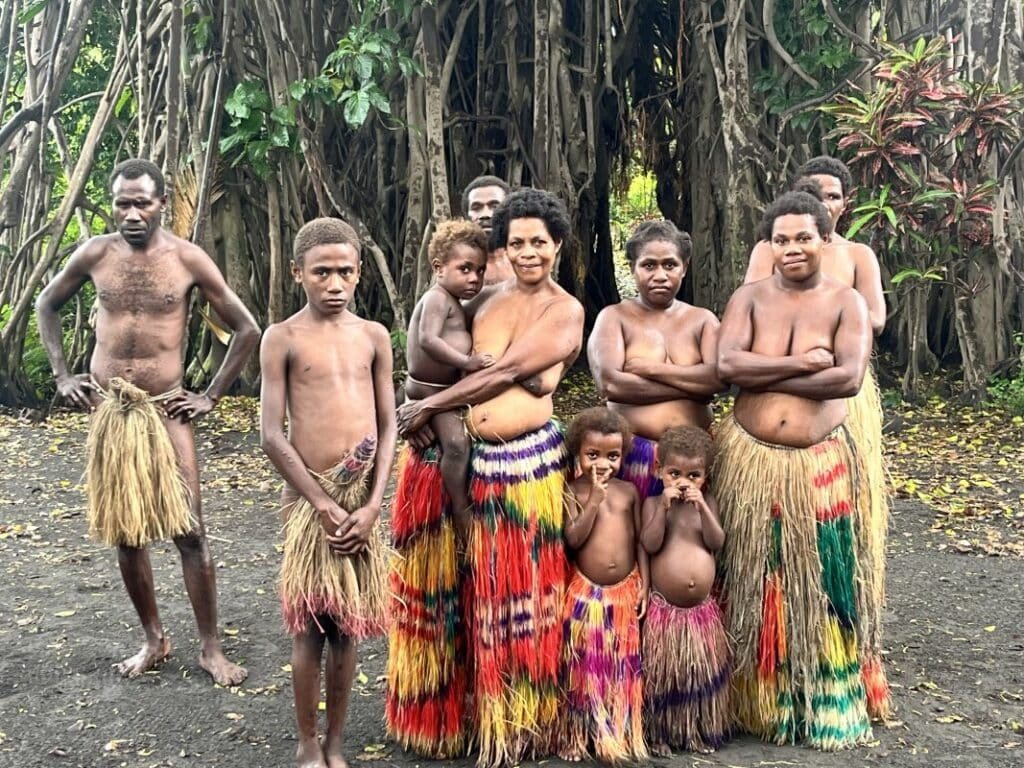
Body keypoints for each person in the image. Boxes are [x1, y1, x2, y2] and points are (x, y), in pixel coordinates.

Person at [35, 158, 258, 685]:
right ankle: (154, 638)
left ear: (161, 202)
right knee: (126, 531)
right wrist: (63, 375)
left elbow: (246, 329)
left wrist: (210, 396)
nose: (132, 213)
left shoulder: (187, 259)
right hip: (113, 412)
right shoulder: (94, 254)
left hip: (166, 408)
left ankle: (210, 647)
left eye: (142, 202)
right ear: (112, 204)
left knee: (189, 530)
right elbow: (47, 303)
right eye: (122, 203)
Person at [390, 188, 585, 767]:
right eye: (517, 242)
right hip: (462, 459)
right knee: (455, 590)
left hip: (522, 467)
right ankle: (457, 718)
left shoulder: (565, 310)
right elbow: (432, 356)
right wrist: (417, 400)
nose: (528, 253)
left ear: (558, 246)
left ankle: (521, 723)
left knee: (519, 594)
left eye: (539, 243)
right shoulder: (486, 299)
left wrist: (429, 407)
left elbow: (504, 371)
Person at [715, 190, 873, 749]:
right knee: (755, 577)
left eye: (803, 237)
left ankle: (827, 699)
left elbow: (847, 379)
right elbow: (727, 365)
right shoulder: (749, 298)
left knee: (825, 578)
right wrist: (797, 365)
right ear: (769, 245)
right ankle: (760, 703)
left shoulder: (845, 303)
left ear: (825, 239)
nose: (791, 249)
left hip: (818, 466)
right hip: (751, 464)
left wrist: (762, 374)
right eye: (780, 239)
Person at [744, 156, 891, 718]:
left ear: (843, 204)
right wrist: (801, 357)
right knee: (771, 543)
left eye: (831, 197)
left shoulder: (857, 257)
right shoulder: (771, 249)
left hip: (840, 412)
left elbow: (872, 320)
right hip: (771, 419)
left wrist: (834, 325)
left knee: (839, 536)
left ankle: (845, 660)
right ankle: (771, 670)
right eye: (811, 195)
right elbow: (757, 315)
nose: (823, 204)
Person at [259, 217, 396, 768]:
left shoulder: (374, 337)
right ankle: (307, 742)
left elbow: (389, 426)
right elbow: (271, 433)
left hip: (361, 502)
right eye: (322, 272)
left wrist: (371, 505)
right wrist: (320, 502)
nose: (334, 283)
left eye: (344, 271)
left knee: (346, 626)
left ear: (359, 272)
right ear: (299, 274)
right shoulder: (283, 338)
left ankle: (337, 742)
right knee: (309, 625)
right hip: (311, 506)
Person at [589, 220, 722, 502]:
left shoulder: (702, 320)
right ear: (632, 268)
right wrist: (695, 387)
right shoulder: (614, 317)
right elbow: (611, 384)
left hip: (694, 463)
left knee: (687, 540)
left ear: (684, 267)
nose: (660, 275)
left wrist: (653, 369)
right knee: (632, 540)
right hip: (633, 455)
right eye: (649, 265)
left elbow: (718, 379)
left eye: (670, 265)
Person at [559, 407, 648, 763]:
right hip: (586, 592)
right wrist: (593, 500)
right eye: (592, 455)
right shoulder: (573, 490)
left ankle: (616, 731)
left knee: (620, 664)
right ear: (578, 454)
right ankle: (577, 734)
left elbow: (641, 540)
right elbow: (573, 540)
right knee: (583, 665)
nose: (602, 463)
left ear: (623, 456)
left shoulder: (629, 492)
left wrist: (645, 581)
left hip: (625, 592)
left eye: (612, 456)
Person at [640, 426, 729, 754]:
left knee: (697, 676)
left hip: (700, 612)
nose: (683, 482)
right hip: (666, 611)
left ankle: (695, 732)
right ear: (658, 470)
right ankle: (660, 734)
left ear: (705, 476)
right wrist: (663, 507)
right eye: (674, 473)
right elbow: (649, 543)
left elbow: (716, 542)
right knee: (666, 678)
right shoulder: (652, 503)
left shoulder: (707, 502)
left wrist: (702, 507)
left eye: (694, 475)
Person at [405, 220, 493, 542]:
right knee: (457, 445)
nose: (474, 278)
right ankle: (460, 506)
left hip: (439, 388)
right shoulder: (438, 298)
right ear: (439, 268)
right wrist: (466, 362)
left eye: (480, 271)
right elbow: (428, 339)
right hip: (432, 390)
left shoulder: (455, 302)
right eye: (465, 269)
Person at [462, 175, 512, 285]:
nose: (485, 214)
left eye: (494, 206)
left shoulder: (524, 261)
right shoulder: (456, 265)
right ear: (467, 216)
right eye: (476, 208)